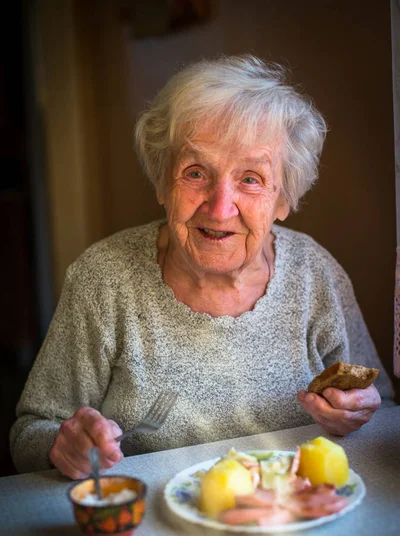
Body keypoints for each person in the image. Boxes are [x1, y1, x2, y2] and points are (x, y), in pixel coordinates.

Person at [10, 55, 394, 479]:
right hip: (153, 528)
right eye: (195, 172)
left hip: (289, 518)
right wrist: (62, 445)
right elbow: (29, 434)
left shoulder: (315, 275)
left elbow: (382, 407)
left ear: (283, 199)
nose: (219, 206)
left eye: (250, 178)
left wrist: (356, 418)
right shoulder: (104, 278)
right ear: (161, 182)